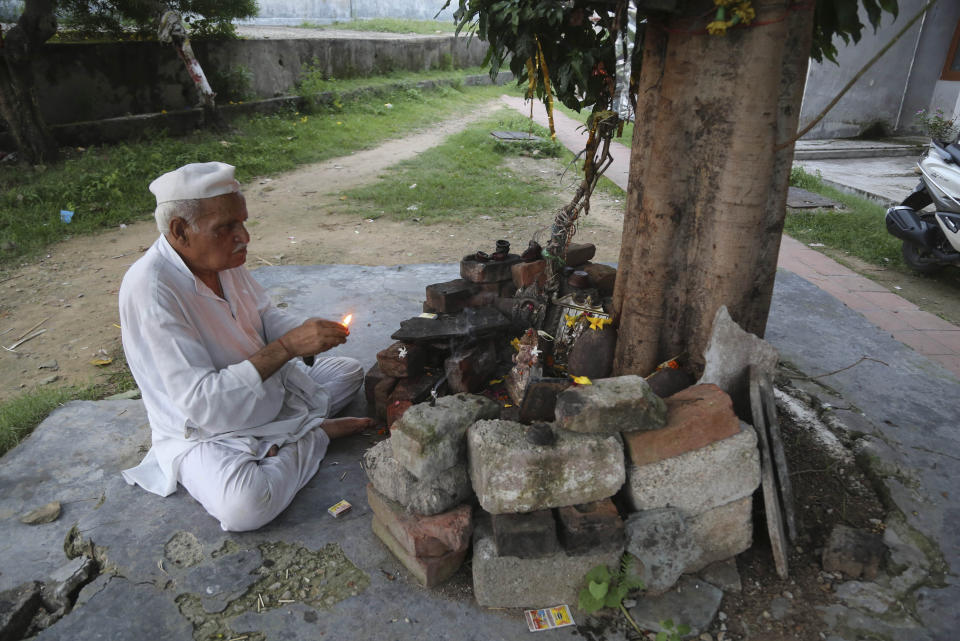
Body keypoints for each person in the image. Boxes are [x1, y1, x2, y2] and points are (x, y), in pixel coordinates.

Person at [119, 161, 373, 532]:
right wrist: (288, 347)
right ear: (179, 230)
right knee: (245, 507)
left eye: (242, 222)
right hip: (206, 430)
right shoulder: (152, 290)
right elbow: (203, 402)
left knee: (348, 370)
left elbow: (264, 315)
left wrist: (305, 335)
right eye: (226, 227)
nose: (244, 237)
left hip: (264, 391)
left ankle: (288, 435)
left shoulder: (220, 257)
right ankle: (315, 435)